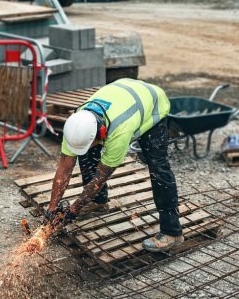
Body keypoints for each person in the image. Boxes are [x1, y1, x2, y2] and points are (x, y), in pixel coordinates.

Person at [44, 78, 183, 252]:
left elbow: (100, 178)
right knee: (86, 153)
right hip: (124, 94)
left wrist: (75, 208)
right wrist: (52, 208)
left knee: (158, 168)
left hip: (153, 103)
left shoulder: (119, 132)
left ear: (102, 133)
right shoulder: (77, 124)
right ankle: (98, 202)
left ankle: (172, 231)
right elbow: (64, 168)